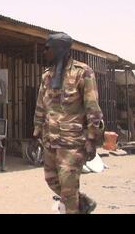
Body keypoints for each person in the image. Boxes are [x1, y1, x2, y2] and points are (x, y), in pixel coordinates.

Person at [33, 32, 104, 214]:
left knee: (68, 190)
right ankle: (84, 203)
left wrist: (91, 139)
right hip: (50, 140)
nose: (44, 52)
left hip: (72, 143)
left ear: (60, 49)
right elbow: (41, 105)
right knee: (51, 179)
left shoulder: (83, 73)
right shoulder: (47, 76)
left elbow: (92, 108)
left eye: (48, 48)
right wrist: (36, 131)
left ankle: (74, 206)